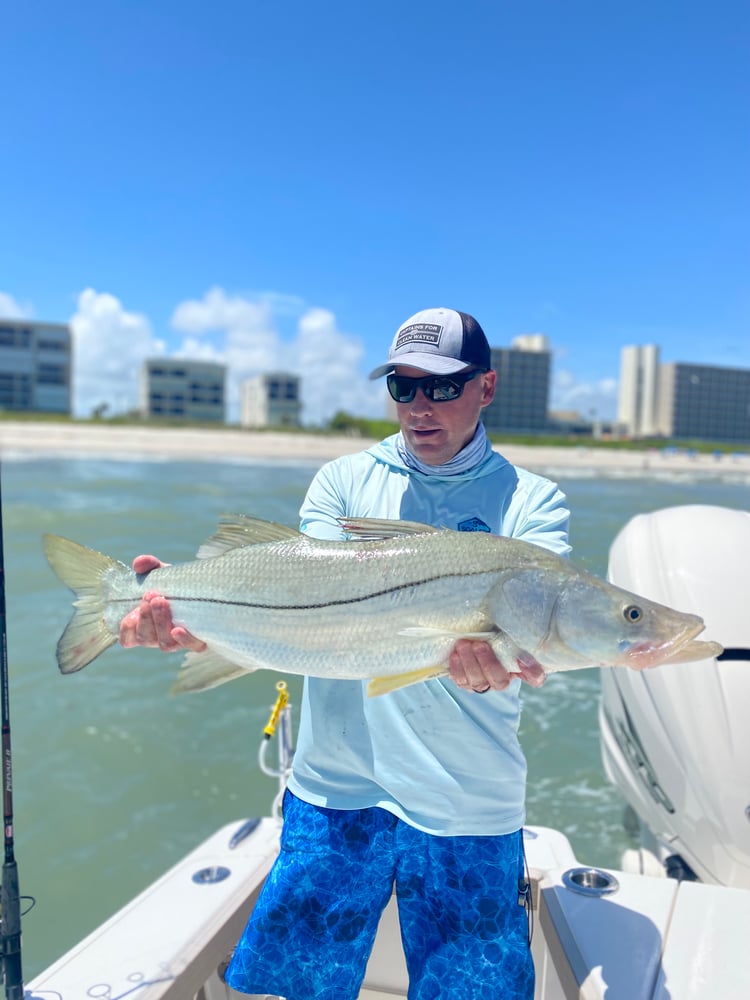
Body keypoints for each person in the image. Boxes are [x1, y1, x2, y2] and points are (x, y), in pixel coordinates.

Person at [119, 307, 570, 1000]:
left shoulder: (532, 505)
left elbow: (543, 629)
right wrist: (192, 624)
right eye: (403, 386)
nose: (420, 406)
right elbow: (302, 607)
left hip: (467, 803)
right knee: (293, 990)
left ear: (486, 388)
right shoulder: (340, 481)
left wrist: (489, 669)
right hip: (335, 792)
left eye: (442, 387)